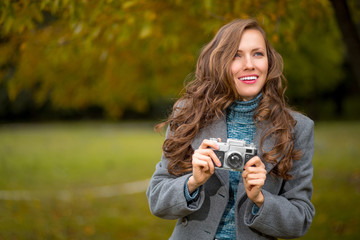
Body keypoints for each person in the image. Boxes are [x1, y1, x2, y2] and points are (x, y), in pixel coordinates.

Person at [146, 18, 315, 240]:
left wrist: (261, 199)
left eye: (258, 54)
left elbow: (300, 219)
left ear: (269, 61)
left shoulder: (297, 128)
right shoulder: (188, 114)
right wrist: (193, 182)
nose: (249, 64)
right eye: (236, 55)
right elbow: (157, 200)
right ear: (219, 62)